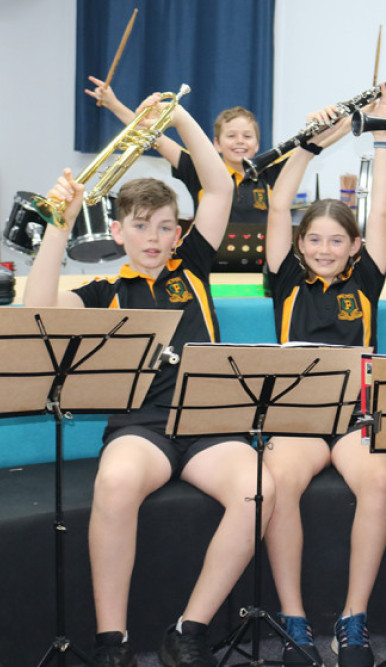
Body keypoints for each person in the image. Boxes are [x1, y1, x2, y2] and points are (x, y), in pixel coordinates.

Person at [24, 94, 264, 667]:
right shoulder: (104, 290)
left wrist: (177, 117)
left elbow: (220, 188)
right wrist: (58, 223)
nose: (154, 238)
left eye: (164, 227)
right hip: (142, 428)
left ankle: (189, 629)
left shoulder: (195, 265)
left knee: (260, 491)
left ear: (178, 232)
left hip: (209, 425)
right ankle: (114, 642)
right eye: (141, 227)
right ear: (118, 232)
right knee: (114, 486)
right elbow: (38, 312)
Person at [260, 84, 386, 667]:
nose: (323, 248)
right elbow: (275, 201)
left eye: (335, 240)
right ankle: (293, 618)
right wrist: (310, 148)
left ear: (354, 247)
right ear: (299, 245)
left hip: (355, 416)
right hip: (295, 414)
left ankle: (354, 618)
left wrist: (385, 134)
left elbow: (383, 208)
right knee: (278, 483)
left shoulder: (366, 278)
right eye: (313, 239)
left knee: (380, 482)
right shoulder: (285, 277)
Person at [87, 76, 283, 224]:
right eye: (231, 136)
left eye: (247, 136)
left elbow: (306, 148)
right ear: (216, 144)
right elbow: (152, 135)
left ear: (257, 145)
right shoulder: (198, 168)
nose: (240, 142)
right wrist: (114, 105)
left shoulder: (271, 174)